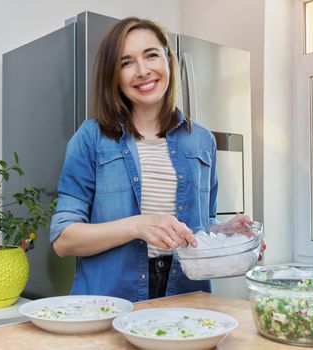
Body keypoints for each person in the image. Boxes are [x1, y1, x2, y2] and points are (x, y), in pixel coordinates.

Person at [50, 17, 264, 302]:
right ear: (113, 75)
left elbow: (200, 227)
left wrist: (225, 234)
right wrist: (137, 226)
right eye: (126, 62)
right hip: (107, 302)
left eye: (151, 55)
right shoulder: (91, 138)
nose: (142, 71)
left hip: (187, 298)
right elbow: (64, 239)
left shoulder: (201, 139)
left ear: (168, 59)